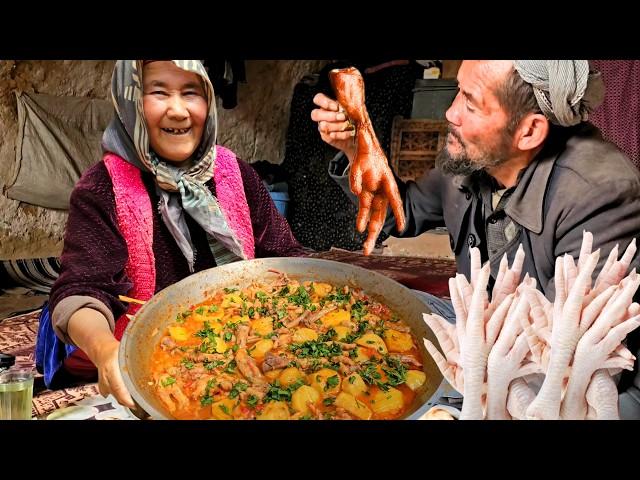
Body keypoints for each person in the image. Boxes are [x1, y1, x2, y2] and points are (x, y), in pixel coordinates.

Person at [311, 59, 640, 418]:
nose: (451, 113)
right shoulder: (476, 153)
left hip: (558, 378)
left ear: (529, 131)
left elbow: (572, 364)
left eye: (470, 102)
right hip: (482, 331)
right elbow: (400, 213)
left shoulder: (600, 194)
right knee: (368, 307)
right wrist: (357, 150)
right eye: (457, 92)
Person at [36, 60, 306, 407]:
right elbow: (82, 291)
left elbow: (285, 258)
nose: (178, 110)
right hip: (153, 369)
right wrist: (106, 352)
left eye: (191, 92)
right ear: (131, 99)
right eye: (159, 92)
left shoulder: (235, 173)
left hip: (246, 355)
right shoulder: (102, 187)